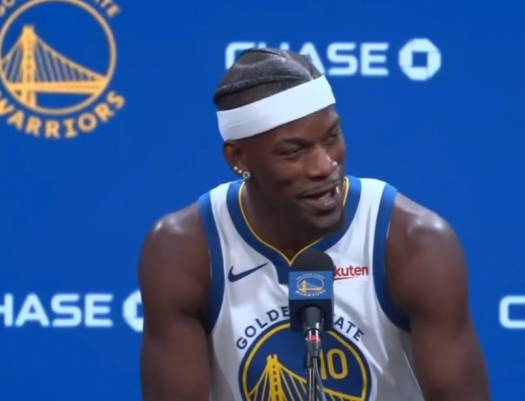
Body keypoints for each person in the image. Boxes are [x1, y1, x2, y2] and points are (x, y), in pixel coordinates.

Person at [138, 48, 492, 401]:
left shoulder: (412, 242)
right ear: (239, 158)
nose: (325, 166)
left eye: (332, 137)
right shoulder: (184, 251)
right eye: (294, 151)